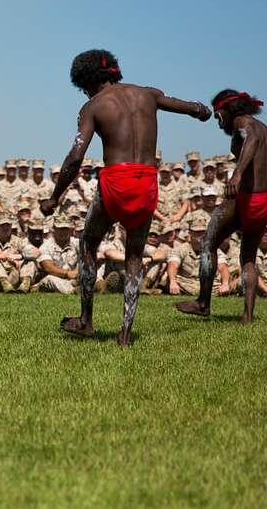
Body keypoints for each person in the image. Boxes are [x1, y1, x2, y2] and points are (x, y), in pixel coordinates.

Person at [40, 49, 210, 346]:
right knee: (134, 254)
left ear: (87, 80)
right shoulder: (149, 95)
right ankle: (126, 333)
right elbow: (192, 109)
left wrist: (54, 197)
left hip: (116, 182)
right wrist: (202, 110)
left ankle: (86, 321)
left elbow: (75, 157)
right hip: (146, 181)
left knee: (88, 243)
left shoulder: (93, 106)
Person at [176, 89, 267, 324]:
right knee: (248, 257)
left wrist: (237, 175)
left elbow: (250, 139)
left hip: (249, 197)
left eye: (218, 114)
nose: (217, 120)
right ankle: (248, 316)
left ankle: (203, 302)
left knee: (208, 241)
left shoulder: (244, 123)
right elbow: (250, 144)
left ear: (228, 110)